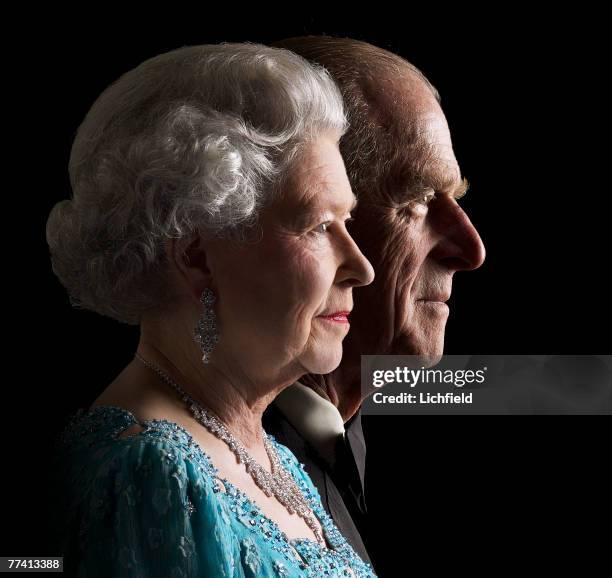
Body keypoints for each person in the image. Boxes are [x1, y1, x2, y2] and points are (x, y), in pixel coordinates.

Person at [46, 43, 377, 578]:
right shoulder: (153, 473)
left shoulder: (273, 457)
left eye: (349, 223)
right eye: (318, 226)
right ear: (197, 256)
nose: (361, 267)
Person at [263, 36, 487, 566]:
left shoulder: (396, 396)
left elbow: (564, 388)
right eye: (416, 200)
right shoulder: (181, 462)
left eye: (455, 198)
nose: (471, 249)